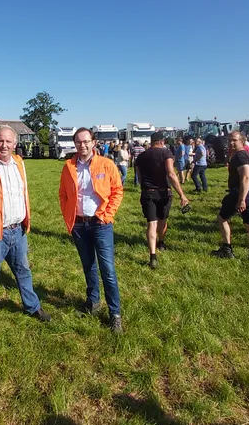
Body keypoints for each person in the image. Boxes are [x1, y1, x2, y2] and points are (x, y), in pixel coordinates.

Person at [0, 125, 51, 347]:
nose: (4, 145)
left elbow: (23, 193)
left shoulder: (19, 164)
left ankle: (32, 306)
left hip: (18, 231)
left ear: (15, 144)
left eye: (9, 142)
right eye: (0, 141)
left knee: (24, 272)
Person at [58, 128, 124, 333]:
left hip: (100, 224)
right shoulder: (69, 166)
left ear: (93, 143)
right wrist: (69, 217)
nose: (82, 145)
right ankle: (93, 302)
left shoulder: (106, 164)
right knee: (88, 266)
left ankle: (115, 314)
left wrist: (107, 215)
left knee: (108, 270)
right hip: (79, 224)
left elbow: (117, 191)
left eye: (86, 141)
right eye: (78, 142)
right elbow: (63, 195)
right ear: (74, 144)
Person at [134, 131, 190, 269]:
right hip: (164, 192)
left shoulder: (140, 157)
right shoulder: (166, 153)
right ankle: (161, 242)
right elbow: (171, 173)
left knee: (151, 224)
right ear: (161, 141)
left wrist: (145, 188)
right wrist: (182, 194)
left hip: (148, 192)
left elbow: (140, 177)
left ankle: (153, 256)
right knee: (163, 219)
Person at [211, 131, 249, 261]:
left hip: (241, 194)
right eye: (230, 140)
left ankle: (227, 248)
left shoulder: (240, 157)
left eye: (234, 140)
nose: (231, 143)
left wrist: (242, 198)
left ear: (242, 141)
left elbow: (245, 177)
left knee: (222, 218)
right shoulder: (248, 155)